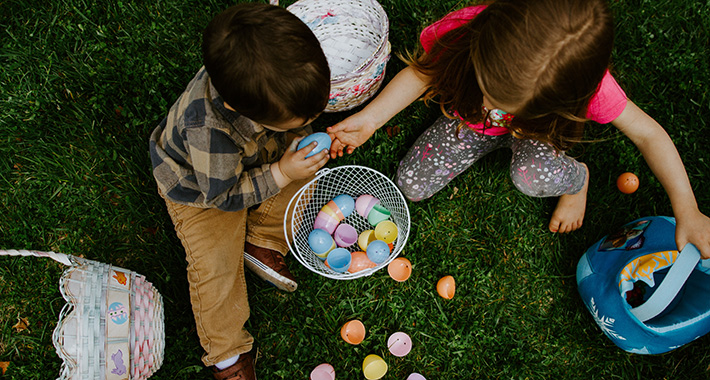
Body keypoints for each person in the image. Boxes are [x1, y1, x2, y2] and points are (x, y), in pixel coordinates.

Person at [327, 0, 710, 259]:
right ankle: (486, 141)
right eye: (489, 90)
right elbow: (423, 72)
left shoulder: (590, 89)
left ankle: (577, 180)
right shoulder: (467, 29)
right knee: (410, 184)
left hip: (537, 137)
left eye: (508, 105)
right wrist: (371, 120)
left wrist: (687, 209)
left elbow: (649, 134)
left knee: (530, 176)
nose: (493, 108)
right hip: (468, 125)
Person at [149, 3, 330, 379]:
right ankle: (227, 353)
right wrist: (281, 171)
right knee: (215, 266)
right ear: (237, 107)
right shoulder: (208, 131)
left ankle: (261, 240)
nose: (312, 122)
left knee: (310, 164)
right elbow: (223, 196)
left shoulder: (258, 78)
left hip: (256, 156)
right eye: (299, 118)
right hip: (202, 191)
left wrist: (300, 140)